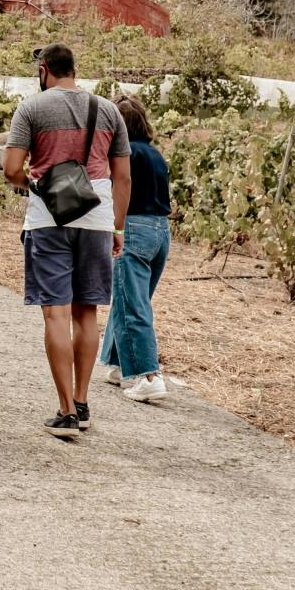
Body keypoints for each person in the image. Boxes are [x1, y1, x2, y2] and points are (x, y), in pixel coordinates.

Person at [2, 44, 130, 439]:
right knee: (86, 314)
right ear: (75, 69)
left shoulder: (32, 108)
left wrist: (37, 186)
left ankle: (65, 411)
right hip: (97, 218)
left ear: (44, 70)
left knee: (55, 314)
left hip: (48, 220)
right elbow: (123, 176)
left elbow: (11, 169)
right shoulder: (108, 110)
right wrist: (118, 228)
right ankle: (83, 401)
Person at [92, 96, 172, 403]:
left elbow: (115, 188)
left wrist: (115, 228)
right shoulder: (154, 154)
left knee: (133, 304)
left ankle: (148, 375)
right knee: (131, 298)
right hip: (161, 231)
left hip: (134, 229)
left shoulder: (124, 156)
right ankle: (119, 364)